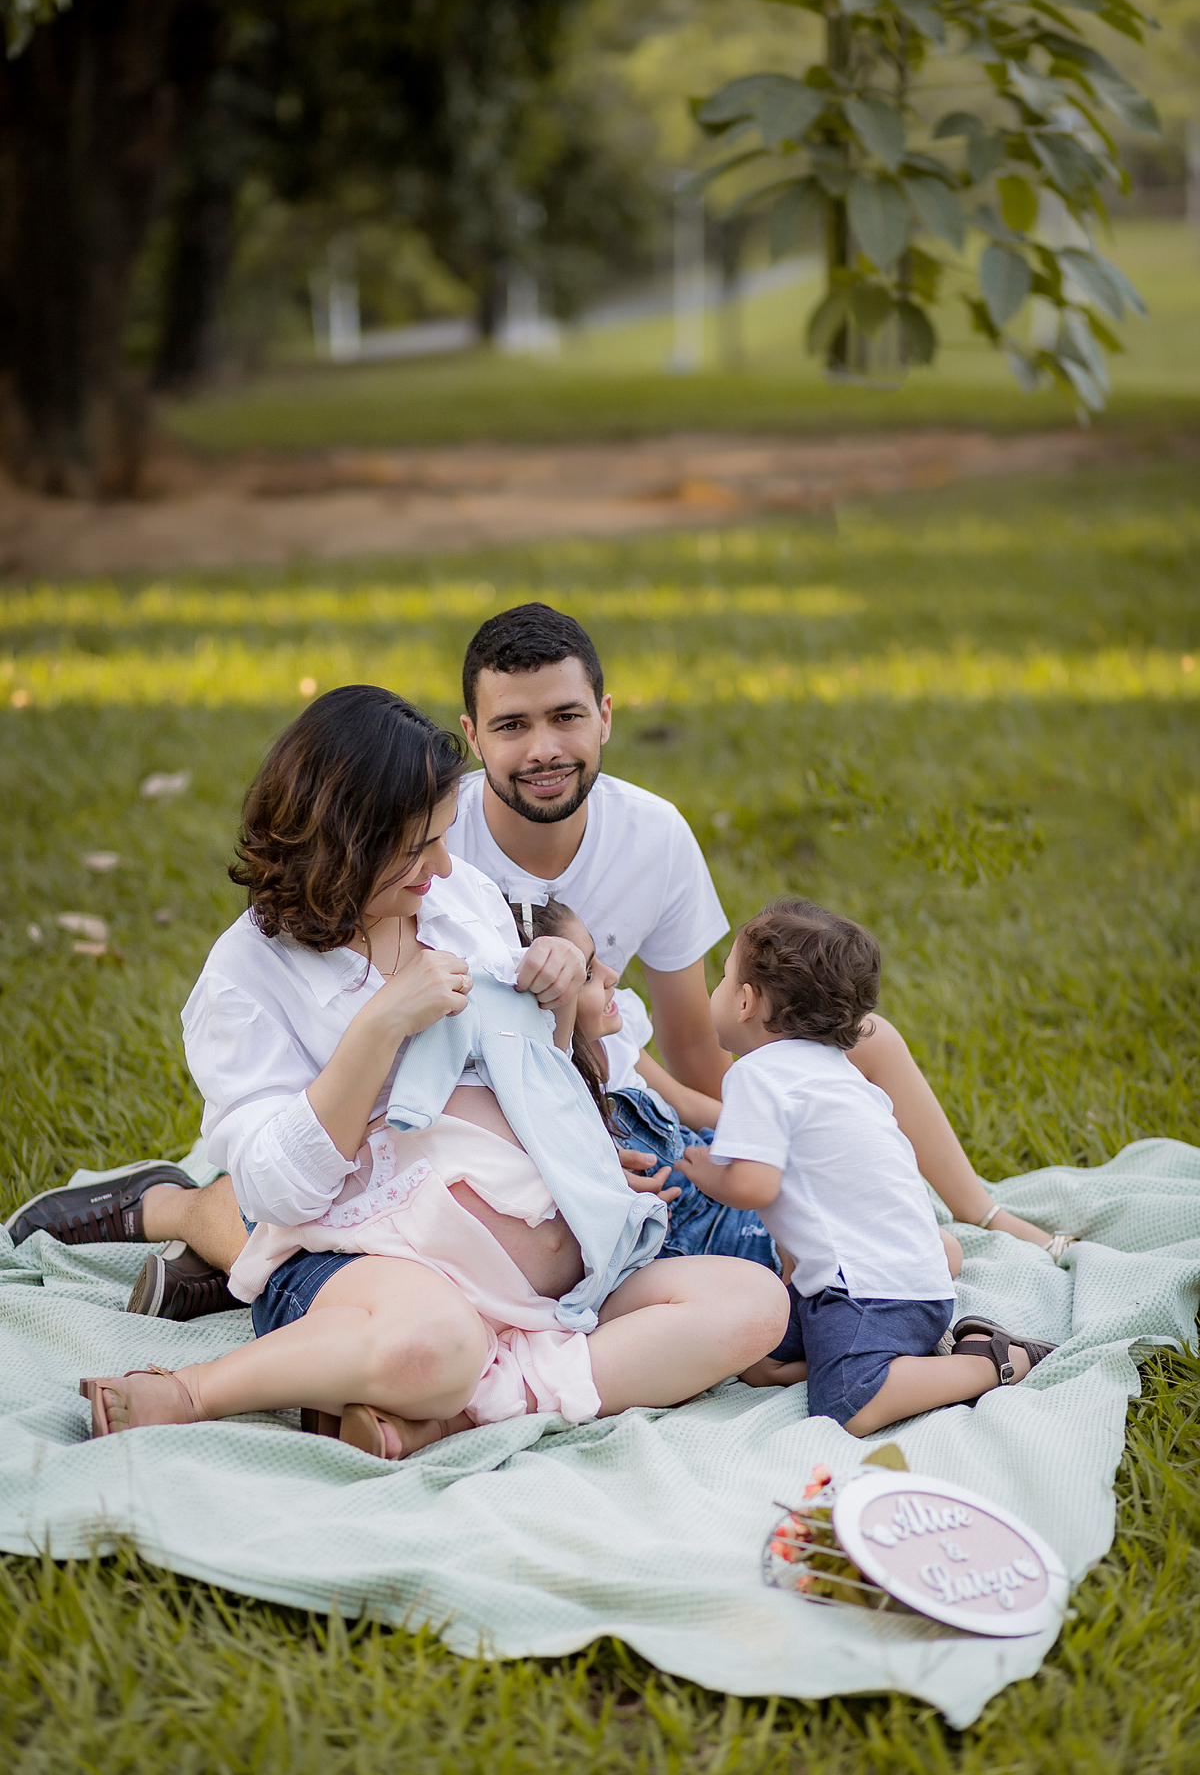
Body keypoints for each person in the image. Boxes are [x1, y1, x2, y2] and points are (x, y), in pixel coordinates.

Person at [8, 603, 1070, 1307]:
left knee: (857, 1059)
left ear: (606, 719)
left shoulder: (638, 836)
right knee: (314, 1196)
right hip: (434, 1134)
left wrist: (738, 1123)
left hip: (587, 1092)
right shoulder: (428, 837)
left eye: (567, 718)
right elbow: (338, 1086)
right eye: (512, 726)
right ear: (473, 739)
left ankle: (977, 1205)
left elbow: (682, 1051)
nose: (545, 748)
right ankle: (186, 1217)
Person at [76, 687, 789, 1456]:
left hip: (557, 1278)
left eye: (445, 837)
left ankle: (458, 1408)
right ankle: (192, 1391)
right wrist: (380, 1027)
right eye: (419, 848)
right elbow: (275, 1191)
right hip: (381, 1268)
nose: (445, 866)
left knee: (753, 1301)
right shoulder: (247, 977)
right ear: (344, 843)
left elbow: (522, 1065)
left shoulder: (453, 897)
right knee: (436, 1344)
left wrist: (568, 1129)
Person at [676, 898, 1057, 1437]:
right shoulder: (836, 1070)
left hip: (870, 1291)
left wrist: (705, 1171)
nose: (716, 990)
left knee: (847, 1406)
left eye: (722, 977)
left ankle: (992, 1362)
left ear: (744, 1001)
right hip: (898, 1279)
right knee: (757, 1356)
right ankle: (898, 1360)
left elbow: (755, 1186)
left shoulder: (756, 1076)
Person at [510, 893, 962, 1324]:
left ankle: (851, 1310)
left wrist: (768, 1135)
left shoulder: (618, 1036)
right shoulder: (549, 1074)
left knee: (936, 1250)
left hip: (733, 1182)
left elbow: (682, 1102)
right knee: (916, 1256)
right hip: (697, 1230)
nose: (612, 974)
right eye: (588, 973)